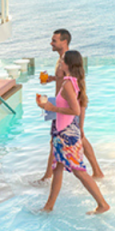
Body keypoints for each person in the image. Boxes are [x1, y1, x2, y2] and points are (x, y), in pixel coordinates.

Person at [36, 51, 109, 214]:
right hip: (63, 131)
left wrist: (51, 107)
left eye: (62, 61)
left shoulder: (68, 84)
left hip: (66, 134)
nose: (60, 63)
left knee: (78, 171)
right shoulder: (71, 81)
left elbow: (75, 110)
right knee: (58, 168)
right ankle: (48, 206)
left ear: (68, 64)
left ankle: (102, 204)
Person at [39, 29, 103, 180]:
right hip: (59, 104)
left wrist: (81, 118)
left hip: (65, 107)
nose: (51, 43)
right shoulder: (62, 61)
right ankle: (96, 171)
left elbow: (78, 89)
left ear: (64, 42)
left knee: (69, 138)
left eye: (54, 40)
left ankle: (48, 176)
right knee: (58, 140)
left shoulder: (70, 61)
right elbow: (64, 80)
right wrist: (52, 79)